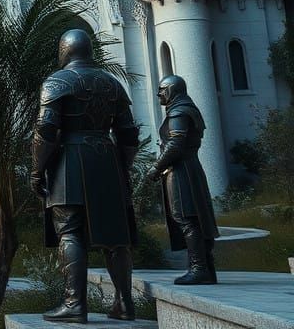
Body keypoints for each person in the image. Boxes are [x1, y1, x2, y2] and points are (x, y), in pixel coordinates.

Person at [31, 29, 140, 323]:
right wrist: (123, 167)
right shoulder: (111, 83)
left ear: (65, 51)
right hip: (107, 159)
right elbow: (129, 134)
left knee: (70, 229)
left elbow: (46, 132)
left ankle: (74, 302)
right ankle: (124, 302)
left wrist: (37, 170)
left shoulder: (57, 82)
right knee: (117, 237)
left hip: (70, 159)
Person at [141, 74, 220, 285]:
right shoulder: (186, 108)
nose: (159, 93)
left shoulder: (178, 111)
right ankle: (206, 267)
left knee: (187, 218)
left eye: (162, 89)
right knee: (194, 218)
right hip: (189, 168)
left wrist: (156, 168)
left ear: (172, 91)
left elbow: (175, 143)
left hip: (181, 171)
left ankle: (199, 268)